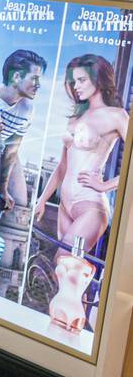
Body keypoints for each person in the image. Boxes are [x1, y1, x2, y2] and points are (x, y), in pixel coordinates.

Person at [34, 54, 128, 253]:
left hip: (90, 205)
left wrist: (104, 186)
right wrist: (42, 199)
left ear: (99, 78)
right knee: (65, 273)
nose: (76, 86)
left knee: (64, 262)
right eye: (74, 81)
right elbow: (62, 167)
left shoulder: (117, 116)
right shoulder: (76, 117)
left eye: (82, 80)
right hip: (65, 205)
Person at [0, 49, 47, 209]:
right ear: (16, 77)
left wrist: (3, 190)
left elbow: (11, 151)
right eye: (34, 79)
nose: (38, 85)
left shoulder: (27, 110)